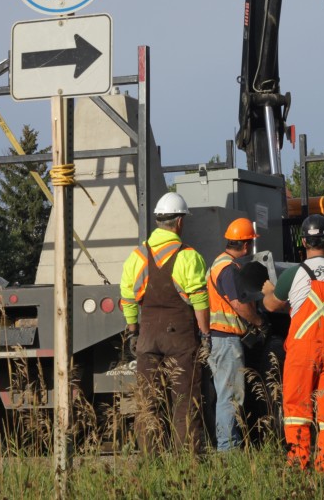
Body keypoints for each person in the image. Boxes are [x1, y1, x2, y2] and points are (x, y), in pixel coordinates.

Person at [262, 214, 324, 475]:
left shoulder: (293, 274)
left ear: (303, 242)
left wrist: (267, 292)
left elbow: (272, 306)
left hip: (301, 352)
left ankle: (298, 465)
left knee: (297, 409)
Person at [120, 192, 210, 453]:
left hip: (147, 338)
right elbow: (200, 300)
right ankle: (189, 461)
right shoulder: (188, 256)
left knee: (148, 403)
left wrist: (133, 330)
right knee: (184, 402)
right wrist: (205, 335)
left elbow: (127, 298)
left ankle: (151, 461)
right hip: (180, 340)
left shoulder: (137, 256)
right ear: (180, 222)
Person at [207, 217, 265, 452]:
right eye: (250, 244)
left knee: (226, 395)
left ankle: (227, 446)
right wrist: (259, 322)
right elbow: (239, 305)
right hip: (227, 340)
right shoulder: (229, 269)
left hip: (221, 339)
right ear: (245, 245)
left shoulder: (219, 264)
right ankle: (228, 450)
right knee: (230, 397)